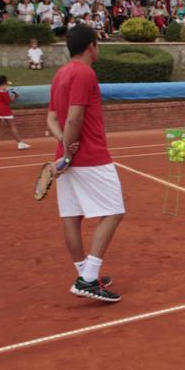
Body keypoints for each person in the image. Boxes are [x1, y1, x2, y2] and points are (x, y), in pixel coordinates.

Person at [46, 24, 125, 302]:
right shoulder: (84, 73)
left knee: (71, 216)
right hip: (89, 156)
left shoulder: (60, 74)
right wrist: (69, 152)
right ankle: (89, 277)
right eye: (98, 43)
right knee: (115, 211)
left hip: (68, 157)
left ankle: (84, 275)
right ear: (91, 45)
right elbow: (74, 118)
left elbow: (52, 120)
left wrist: (64, 150)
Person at [0, 75, 30, 153]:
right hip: (4, 109)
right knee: (12, 126)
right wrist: (15, 96)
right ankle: (20, 143)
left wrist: (8, 89)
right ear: (3, 82)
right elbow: (8, 101)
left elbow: (2, 87)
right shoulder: (4, 91)